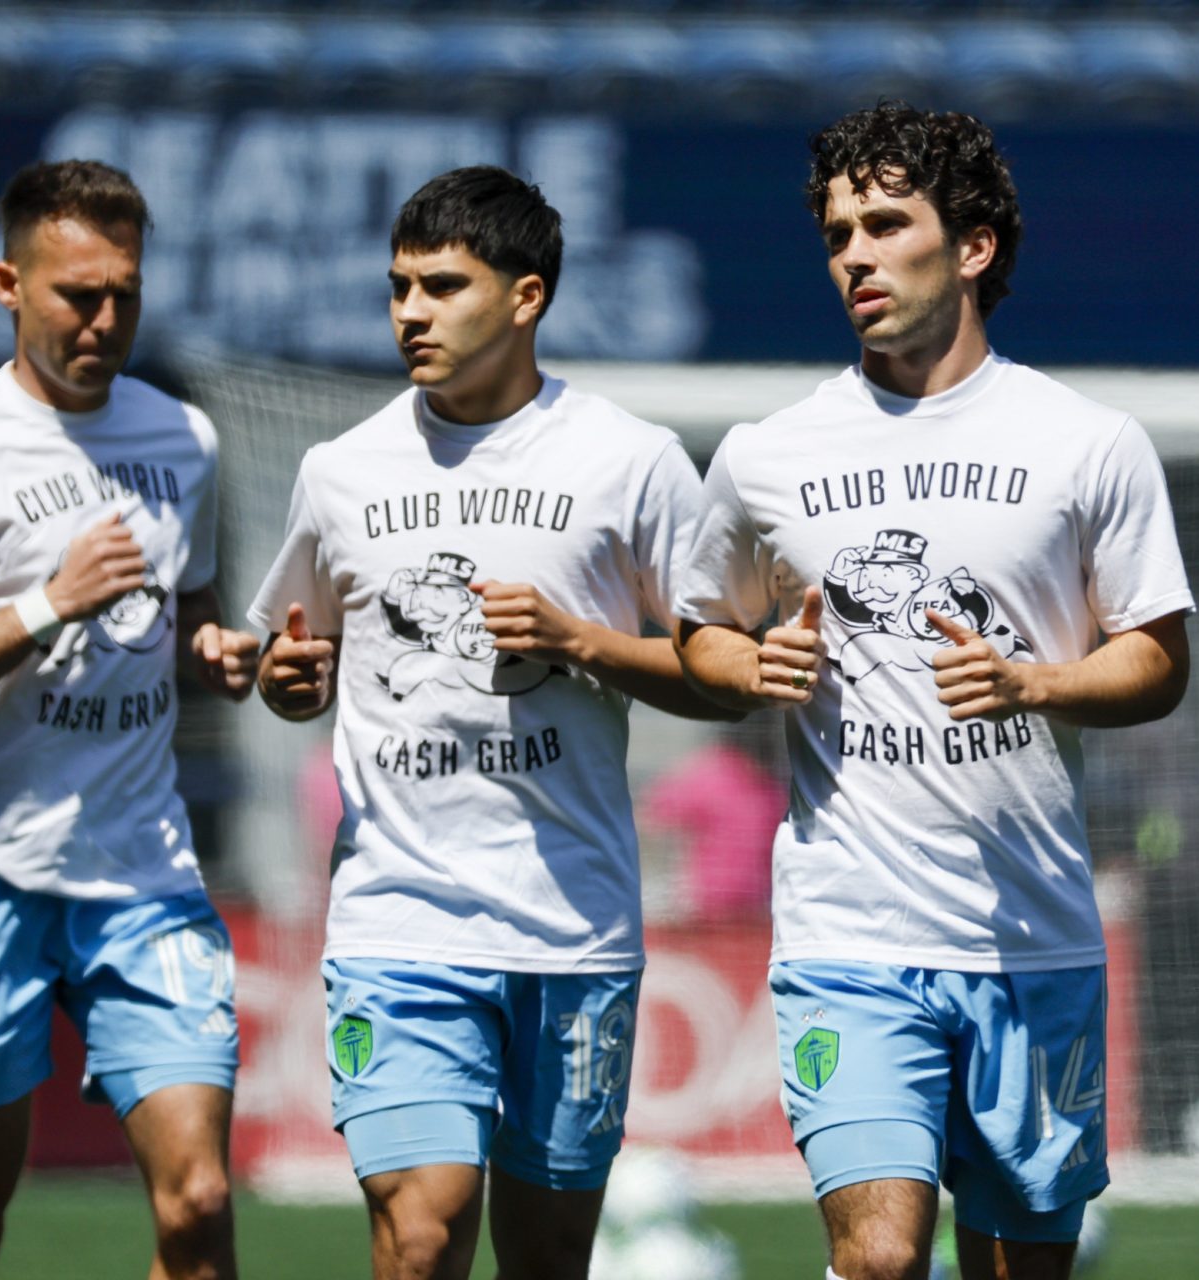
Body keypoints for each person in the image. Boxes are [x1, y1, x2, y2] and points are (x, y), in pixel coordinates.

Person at [674, 104, 1193, 1280]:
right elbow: (698, 631)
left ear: (973, 247)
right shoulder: (769, 452)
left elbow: (1159, 660)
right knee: (881, 1259)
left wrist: (1038, 680)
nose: (854, 252)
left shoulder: (1087, 443)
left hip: (1031, 939)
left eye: (887, 222)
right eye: (836, 231)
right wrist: (751, 664)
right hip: (848, 937)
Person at [248, 165, 734, 1280]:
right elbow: (296, 657)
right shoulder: (341, 471)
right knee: (420, 1234)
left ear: (526, 297)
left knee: (550, 1254)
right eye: (398, 287)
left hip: (572, 923)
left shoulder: (631, 460)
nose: (409, 312)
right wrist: (286, 679)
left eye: (441, 286)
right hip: (399, 918)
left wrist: (582, 642)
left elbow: (731, 673)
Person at [0, 159, 260, 1280]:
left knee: (200, 1203)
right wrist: (43, 603)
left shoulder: (184, 438)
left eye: (125, 290)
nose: (106, 317)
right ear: (8, 284)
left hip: (144, 873)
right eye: (78, 294)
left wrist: (215, 651)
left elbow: (187, 614)